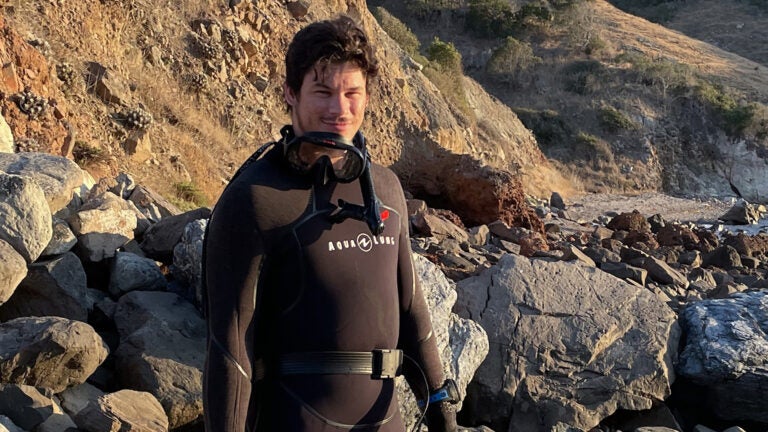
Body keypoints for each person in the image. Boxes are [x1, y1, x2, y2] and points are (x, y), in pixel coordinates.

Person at [202, 15, 458, 432]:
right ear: (290, 93)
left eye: (352, 93)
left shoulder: (387, 191)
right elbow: (230, 349)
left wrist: (442, 405)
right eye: (323, 92)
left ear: (367, 96)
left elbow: (412, 309)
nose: (340, 109)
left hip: (384, 421)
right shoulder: (256, 199)